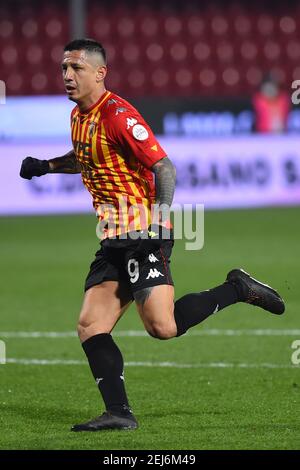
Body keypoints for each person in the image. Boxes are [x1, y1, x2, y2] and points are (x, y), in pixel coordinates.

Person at [20, 39, 285, 432]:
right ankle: (119, 413)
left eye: (75, 68)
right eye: (63, 68)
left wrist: (159, 221)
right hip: (113, 236)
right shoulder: (78, 115)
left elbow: (164, 167)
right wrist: (47, 165)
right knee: (91, 326)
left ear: (99, 73)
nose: (66, 76)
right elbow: (87, 155)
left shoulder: (118, 114)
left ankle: (236, 288)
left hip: (143, 231)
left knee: (162, 328)